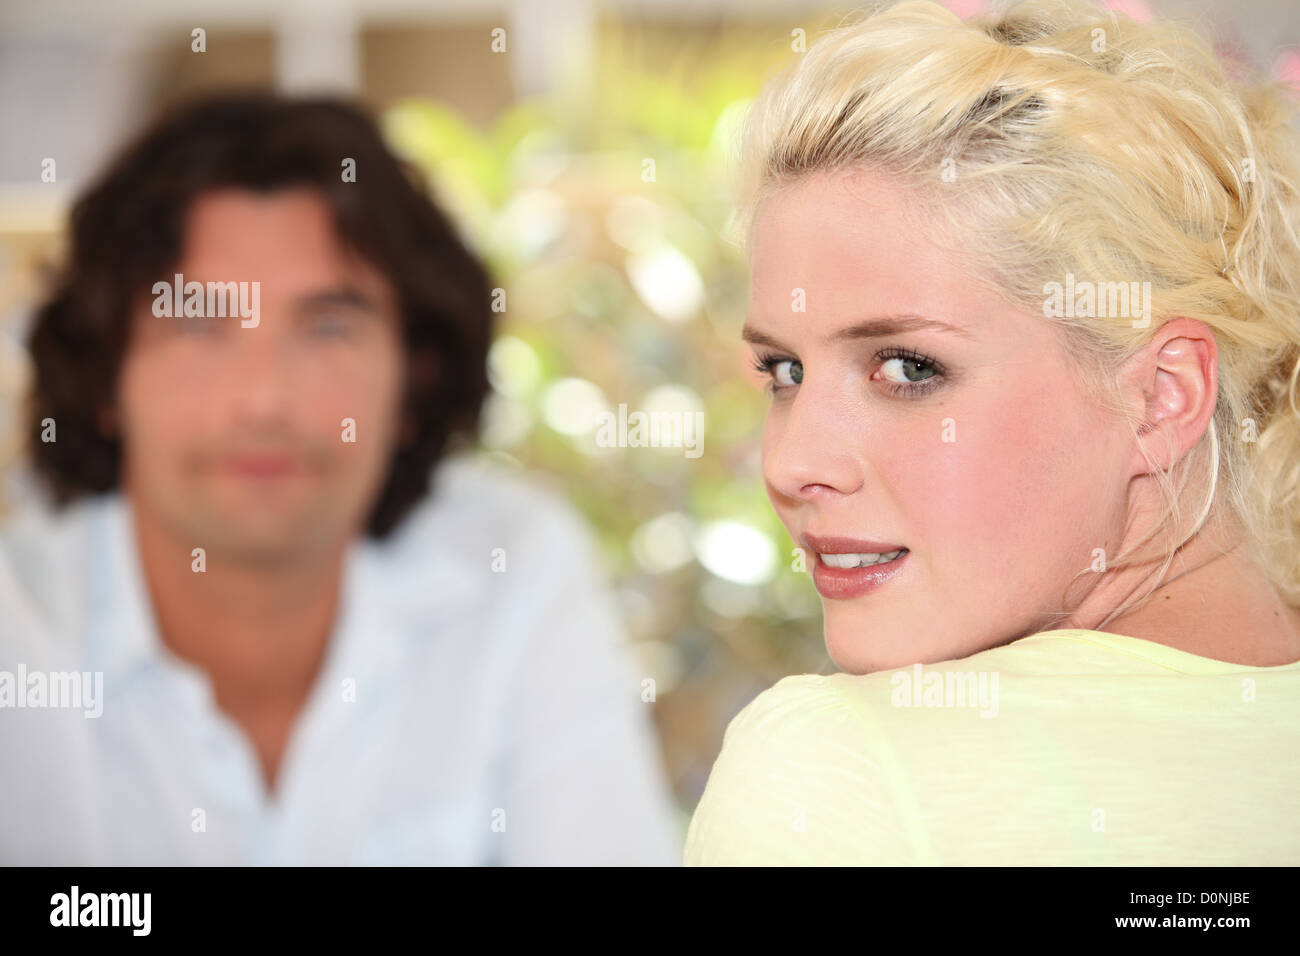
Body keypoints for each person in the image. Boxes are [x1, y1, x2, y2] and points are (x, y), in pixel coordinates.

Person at [685, 0, 1300, 864]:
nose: (791, 464)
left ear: (1162, 396)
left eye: (906, 367)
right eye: (784, 373)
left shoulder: (845, 770)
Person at [0, 92, 681, 865]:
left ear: (415, 382)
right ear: (103, 376)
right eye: (198, 324)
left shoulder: (515, 569)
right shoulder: (18, 635)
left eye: (328, 327)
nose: (263, 398)